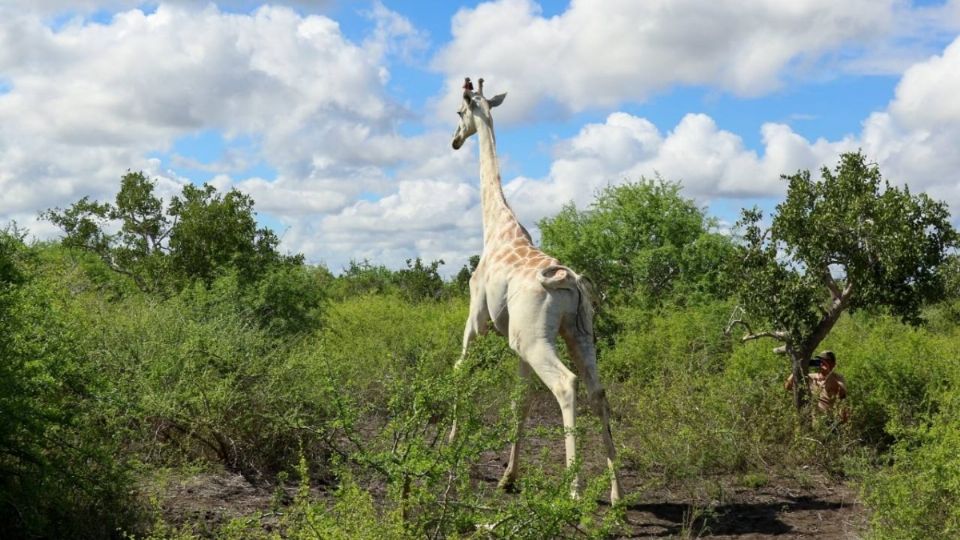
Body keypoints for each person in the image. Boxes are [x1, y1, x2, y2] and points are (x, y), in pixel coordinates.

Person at [785, 350, 848, 422]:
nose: (822, 363)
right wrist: (798, 368)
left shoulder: (838, 378)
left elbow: (842, 394)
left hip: (830, 420)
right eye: (820, 361)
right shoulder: (810, 377)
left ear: (833, 364)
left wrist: (828, 373)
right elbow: (788, 386)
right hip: (812, 420)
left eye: (826, 361)